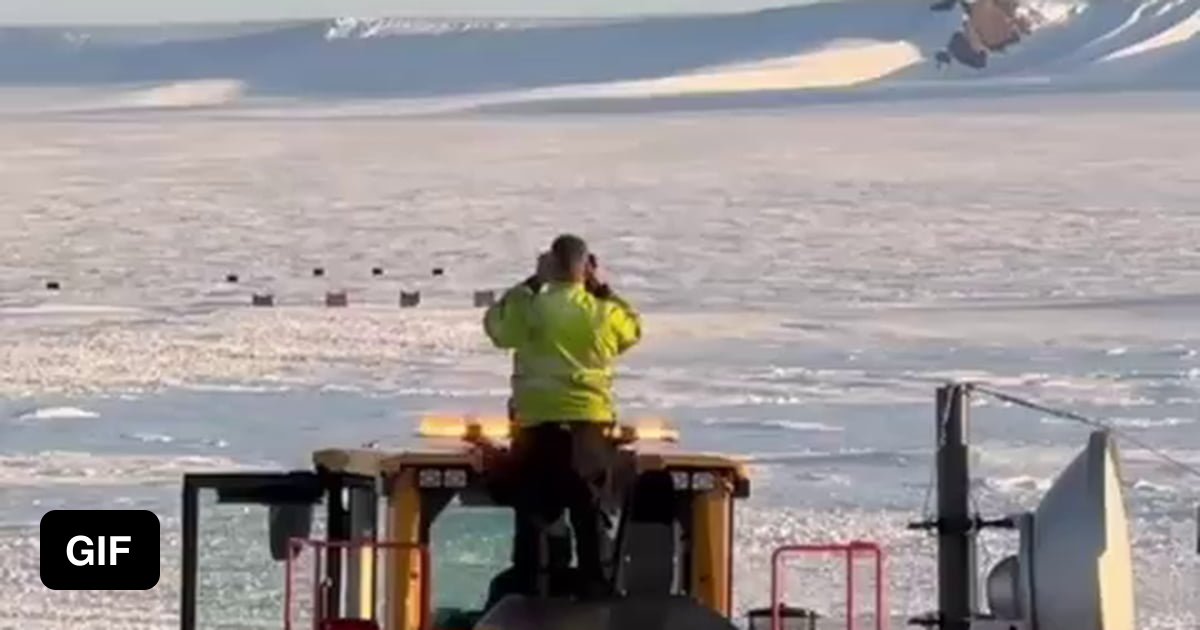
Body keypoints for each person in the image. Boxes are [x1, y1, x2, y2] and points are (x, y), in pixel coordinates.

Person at [483, 234, 642, 599]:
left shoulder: (530, 308)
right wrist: (602, 290)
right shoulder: (603, 312)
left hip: (538, 433)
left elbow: (496, 327)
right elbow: (632, 330)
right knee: (591, 522)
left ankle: (530, 597)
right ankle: (597, 597)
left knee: (535, 522)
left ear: (549, 265)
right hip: (590, 433)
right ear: (586, 268)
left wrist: (531, 284)